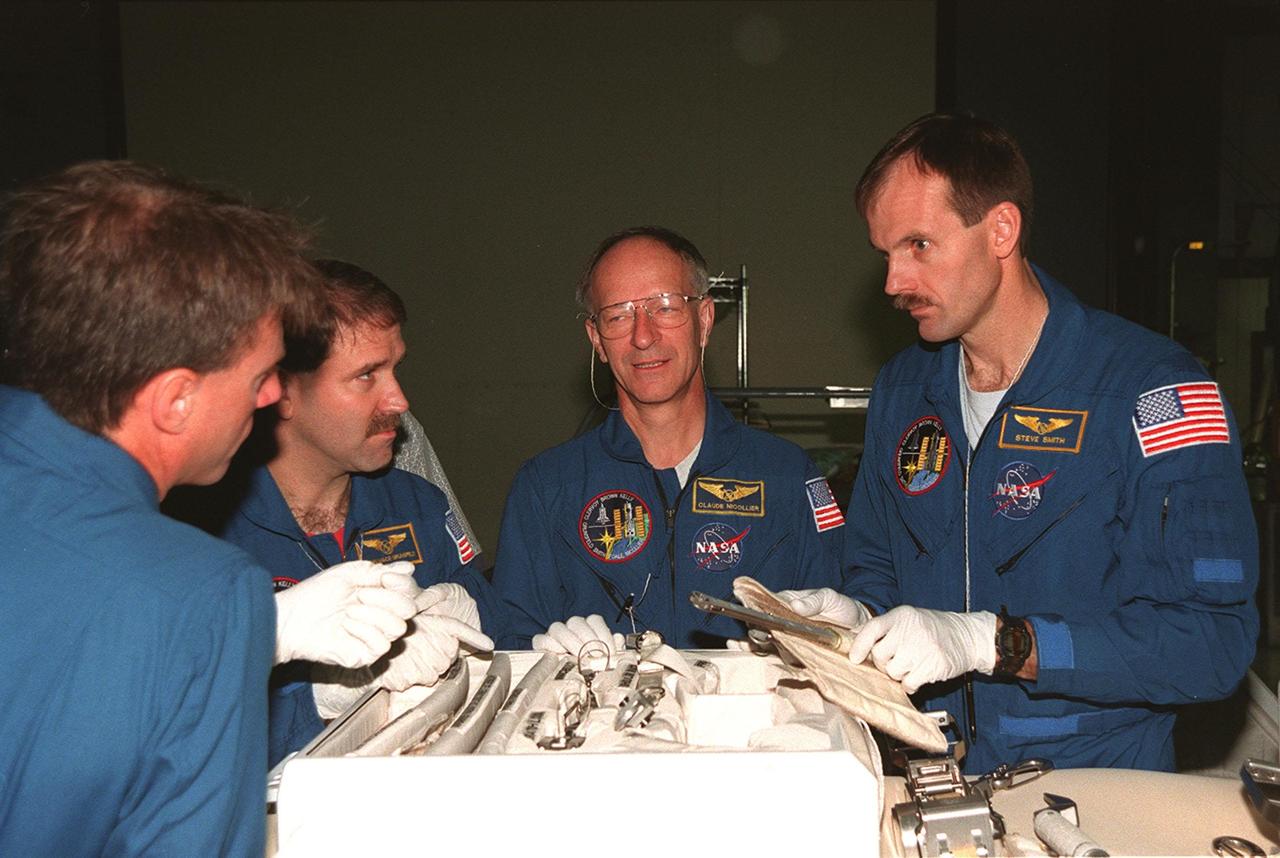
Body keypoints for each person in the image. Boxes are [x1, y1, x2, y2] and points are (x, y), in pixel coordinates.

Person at [783, 112, 1258, 772]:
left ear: (1000, 230)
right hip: (934, 774)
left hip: (1094, 792)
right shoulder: (904, 389)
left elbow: (1211, 643)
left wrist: (995, 642)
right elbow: (878, 566)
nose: (894, 282)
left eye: (918, 245)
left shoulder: (1152, 391)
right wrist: (853, 617)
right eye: (886, 254)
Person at [0, 162, 419, 854]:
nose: (268, 401)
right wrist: (249, 633)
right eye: (259, 378)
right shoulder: (209, 595)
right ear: (176, 402)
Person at [490, 226, 847, 652]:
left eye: (665, 307)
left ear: (704, 319)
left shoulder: (786, 476)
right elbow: (510, 645)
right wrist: (543, 658)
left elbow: (838, 630)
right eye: (618, 315)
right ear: (597, 341)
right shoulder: (547, 488)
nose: (643, 336)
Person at [208, 259, 503, 766]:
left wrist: (494, 633)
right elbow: (179, 736)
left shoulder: (418, 505)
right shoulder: (208, 533)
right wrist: (321, 695)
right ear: (281, 394)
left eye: (395, 368)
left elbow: (501, 654)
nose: (399, 400)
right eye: (366, 375)